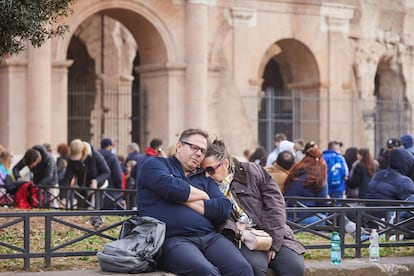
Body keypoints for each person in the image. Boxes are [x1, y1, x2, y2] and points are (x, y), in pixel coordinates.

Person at [137, 129, 253, 276]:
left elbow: (223, 208)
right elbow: (170, 187)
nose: (199, 153)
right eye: (194, 147)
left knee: (242, 269)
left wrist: (185, 200)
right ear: (179, 146)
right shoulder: (156, 164)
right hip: (173, 240)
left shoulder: (203, 178)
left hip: (210, 237)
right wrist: (203, 195)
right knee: (206, 273)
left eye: (202, 151)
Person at [202, 139, 305, 276]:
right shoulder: (206, 185)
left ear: (226, 163)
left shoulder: (251, 171)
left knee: (294, 267)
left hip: (272, 232)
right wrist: (237, 231)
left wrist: (273, 242)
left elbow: (276, 206)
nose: (207, 175)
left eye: (210, 169)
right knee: (255, 267)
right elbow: (216, 218)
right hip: (241, 240)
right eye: (203, 170)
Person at [363, 148, 414, 224]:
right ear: (406, 163)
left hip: (371, 221)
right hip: (391, 224)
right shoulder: (404, 181)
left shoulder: (377, 175)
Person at [284, 147, 329, 225]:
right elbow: (323, 203)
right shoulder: (319, 177)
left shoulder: (294, 171)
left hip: (288, 216)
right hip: (307, 218)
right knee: (333, 220)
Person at [60, 139, 110, 209]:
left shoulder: (95, 156)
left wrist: (96, 181)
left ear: (84, 151)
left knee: (96, 211)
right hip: (83, 188)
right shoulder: (72, 160)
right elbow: (67, 178)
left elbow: (106, 172)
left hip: (98, 188)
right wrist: (63, 196)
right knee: (81, 210)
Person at [99, 138, 123, 209]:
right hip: (111, 191)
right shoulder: (112, 157)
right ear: (109, 146)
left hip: (97, 190)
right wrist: (119, 187)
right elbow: (118, 174)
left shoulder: (96, 155)